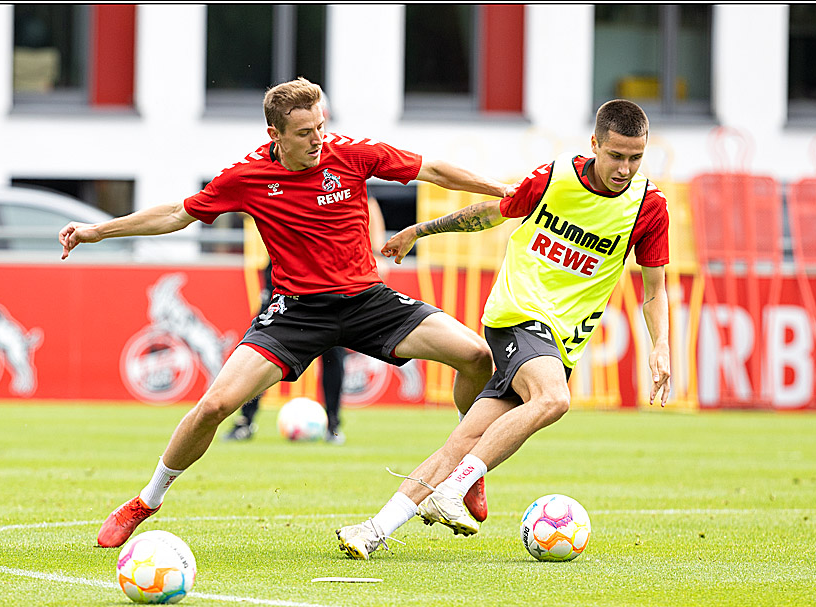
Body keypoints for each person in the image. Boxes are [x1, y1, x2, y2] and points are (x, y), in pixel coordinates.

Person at [60, 77, 509, 548]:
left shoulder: (352, 153)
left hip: (367, 301)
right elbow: (177, 214)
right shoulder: (246, 176)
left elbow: (432, 170)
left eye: (321, 126)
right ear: (275, 134)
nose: (318, 139)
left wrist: (503, 189)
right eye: (304, 132)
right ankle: (146, 500)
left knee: (477, 356)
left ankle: (464, 466)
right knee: (214, 406)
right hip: (296, 312)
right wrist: (97, 232)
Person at [336, 98, 672, 560]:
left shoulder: (649, 207)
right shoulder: (553, 180)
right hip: (517, 314)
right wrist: (422, 230)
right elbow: (491, 213)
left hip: (560, 339)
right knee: (553, 399)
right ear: (594, 144)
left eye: (635, 157)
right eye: (616, 155)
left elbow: (654, 287)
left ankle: (372, 529)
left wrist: (662, 345)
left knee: (462, 442)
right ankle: (455, 489)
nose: (624, 167)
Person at [224, 262, 348, 444]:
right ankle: (245, 421)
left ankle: (332, 423)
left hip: (324, 278)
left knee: (333, 351)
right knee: (260, 349)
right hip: (284, 275)